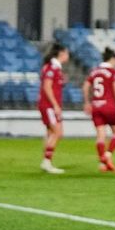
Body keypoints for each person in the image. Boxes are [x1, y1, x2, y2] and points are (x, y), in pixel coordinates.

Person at [82, 47, 115, 172]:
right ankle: (107, 156)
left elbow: (85, 86)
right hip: (109, 106)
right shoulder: (112, 72)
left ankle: (102, 164)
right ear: (112, 59)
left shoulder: (94, 71)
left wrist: (87, 102)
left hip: (96, 106)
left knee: (101, 135)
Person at [38, 43, 68, 174]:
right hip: (49, 105)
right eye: (67, 53)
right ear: (61, 53)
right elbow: (47, 86)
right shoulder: (53, 68)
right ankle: (46, 161)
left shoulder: (52, 68)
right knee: (58, 132)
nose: (68, 56)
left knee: (51, 133)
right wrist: (55, 105)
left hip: (47, 104)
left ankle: (47, 161)